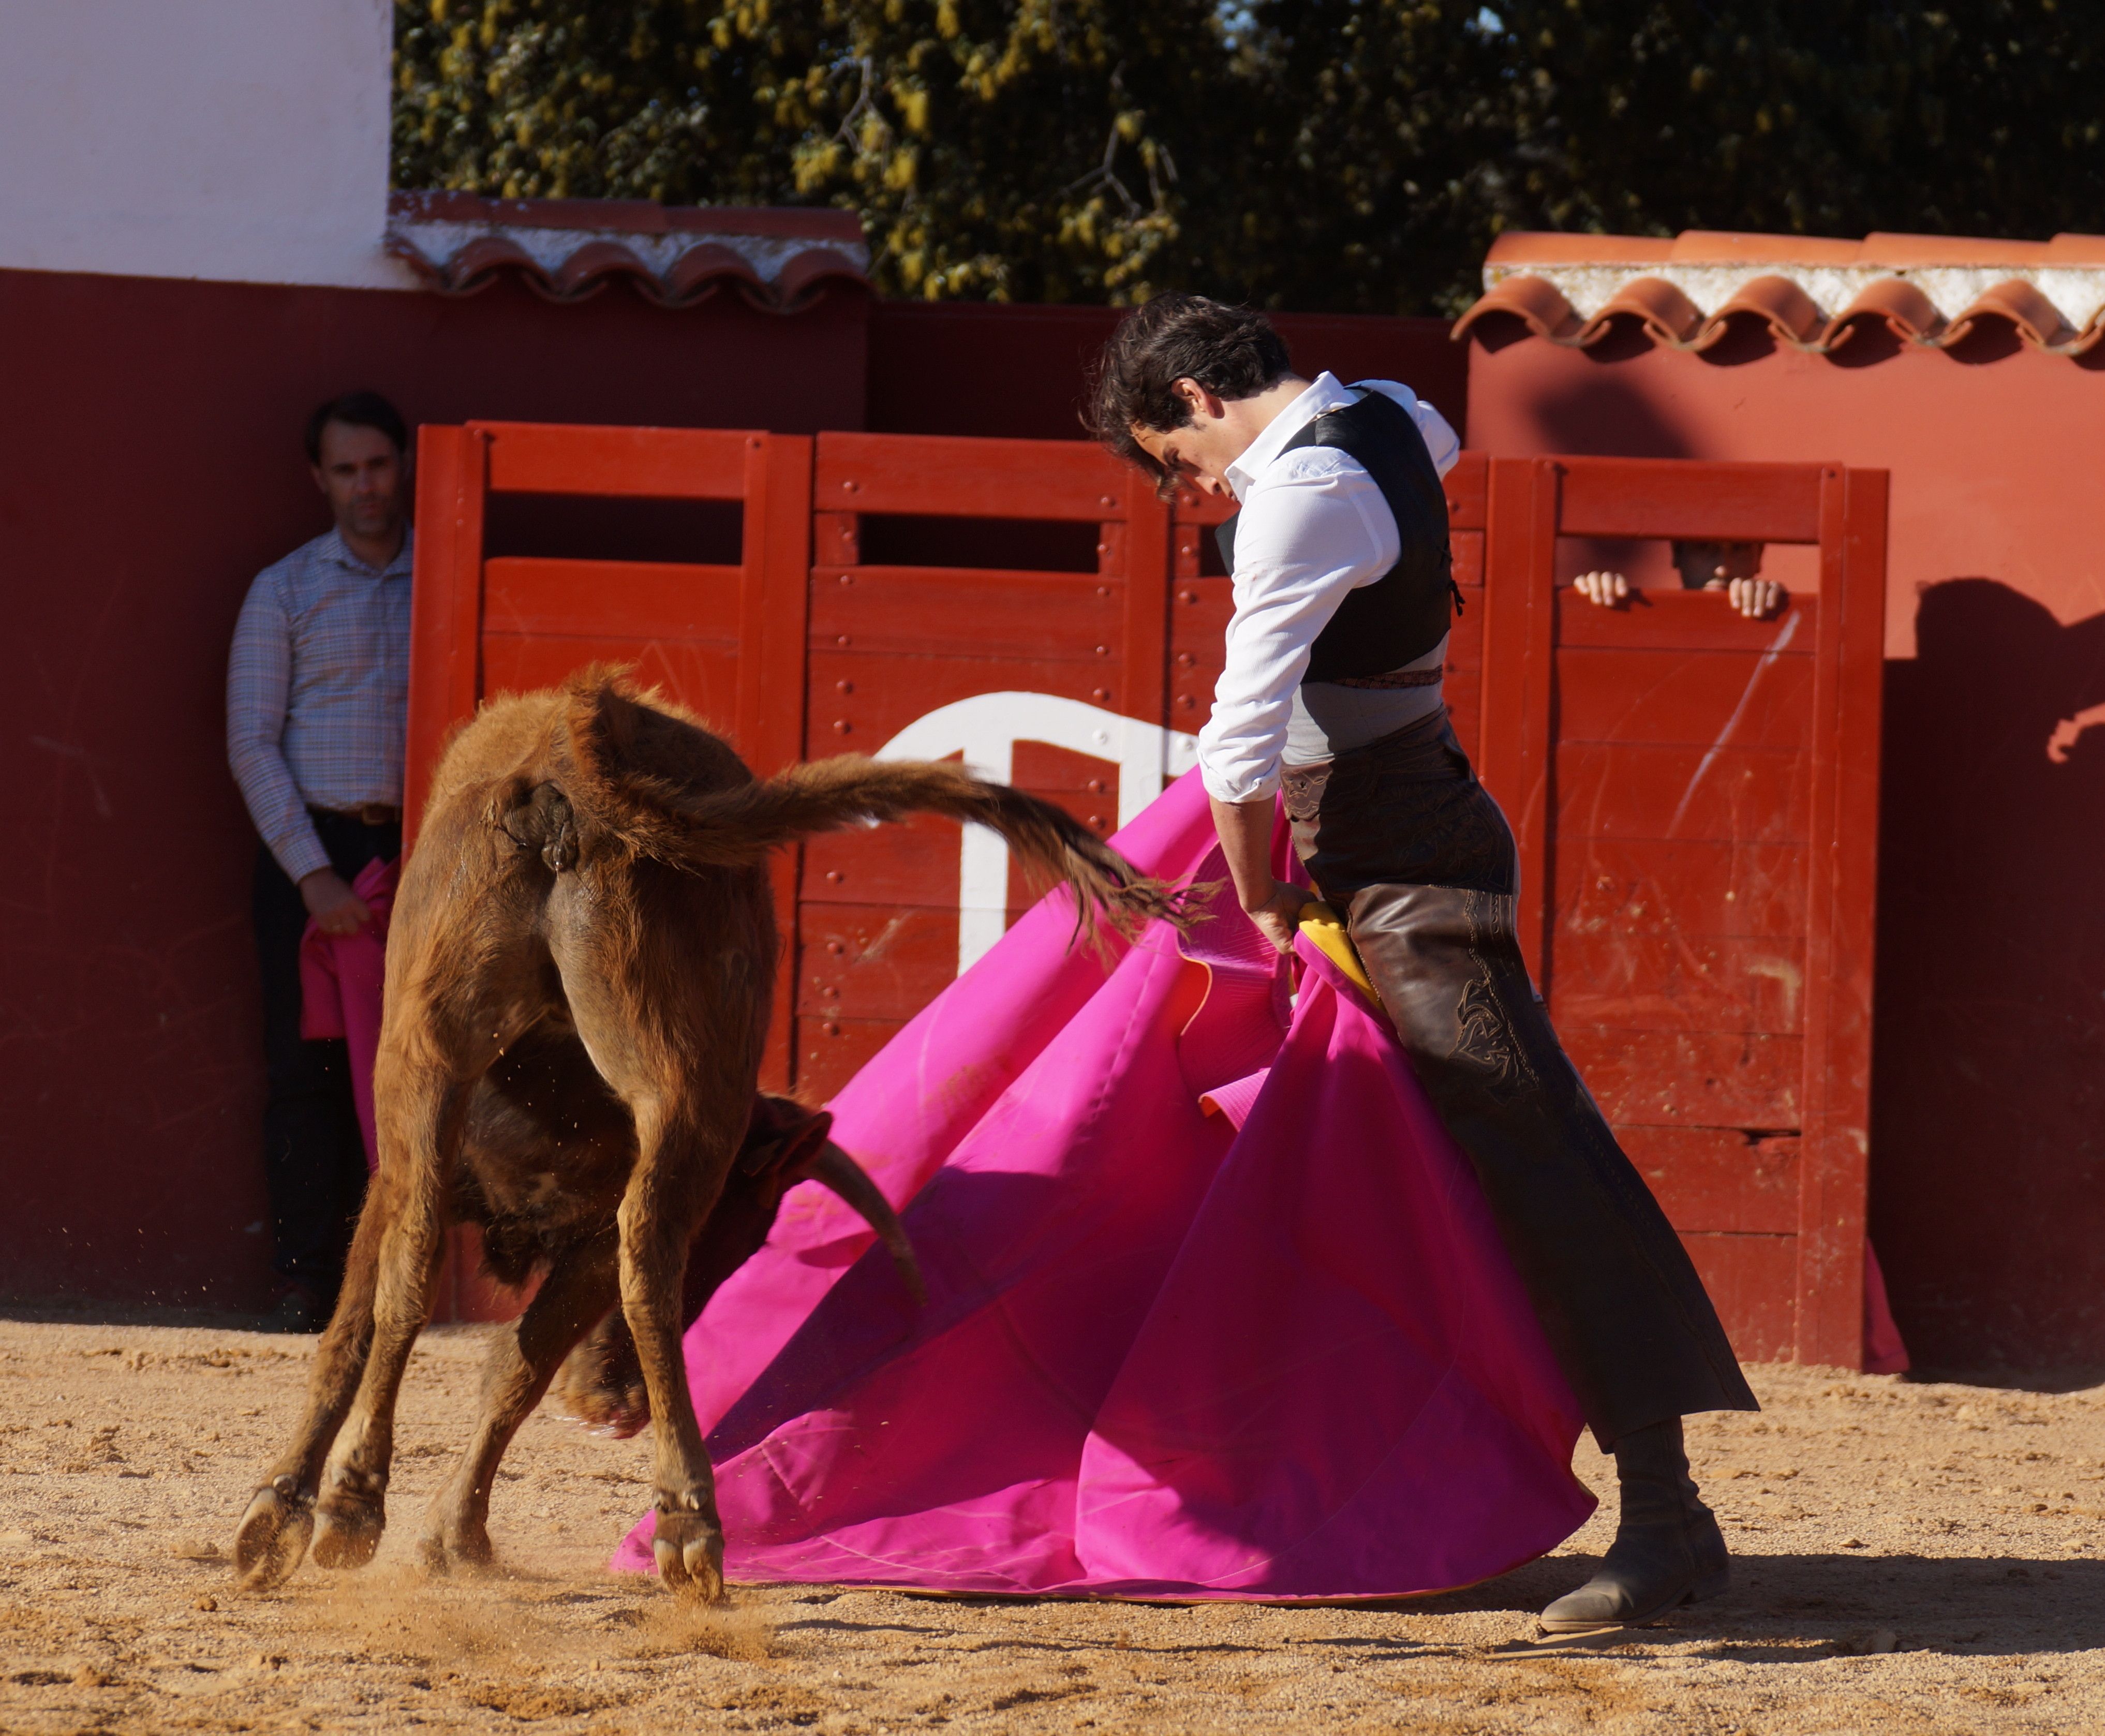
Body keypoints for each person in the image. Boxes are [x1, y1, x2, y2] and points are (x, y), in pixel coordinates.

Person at [1089, 295, 1759, 1635]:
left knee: (1535, 1164)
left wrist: (1265, 891)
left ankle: (1671, 1520)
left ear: (1192, 399)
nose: (1190, 492)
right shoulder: (1394, 417)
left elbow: (1236, 745)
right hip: (1402, 837)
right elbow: (1433, 456)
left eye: (1173, 462)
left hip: (1407, 882)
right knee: (1381, 1173)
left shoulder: (1297, 493)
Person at [227, 392, 412, 1331]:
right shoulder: (286, 590)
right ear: (319, 479)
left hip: (420, 853)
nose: (364, 486)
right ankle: (308, 1278)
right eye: (345, 470)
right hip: (314, 853)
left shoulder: (447, 578)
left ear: (403, 466)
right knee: (308, 1073)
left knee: (415, 1068)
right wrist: (315, 876)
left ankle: (400, 1283)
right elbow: (253, 745)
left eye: (377, 465)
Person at [1573, 541, 1785, 618]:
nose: (1723, 568)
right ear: (1678, 553)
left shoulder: (1774, 611)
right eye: (1704, 547)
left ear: (1759, 556)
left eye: (1739, 549)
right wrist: (1596, 605)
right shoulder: (1645, 623)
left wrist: (1780, 615)